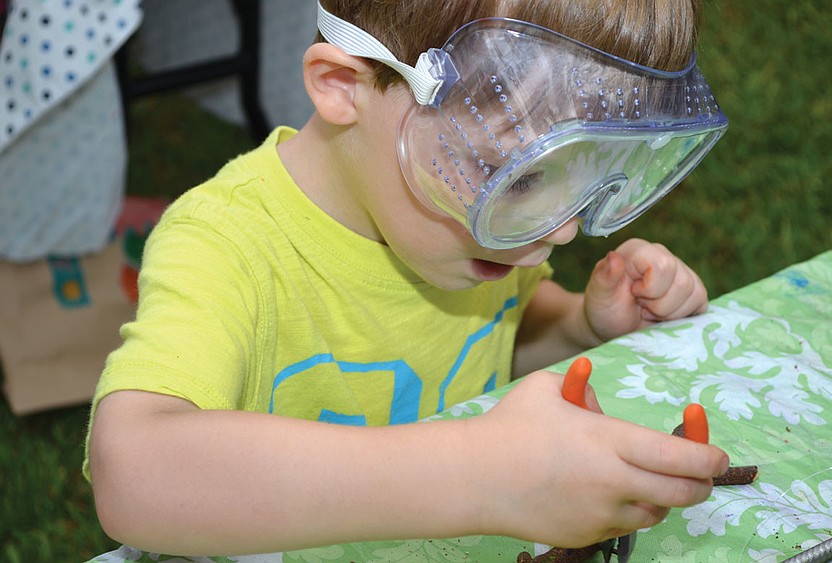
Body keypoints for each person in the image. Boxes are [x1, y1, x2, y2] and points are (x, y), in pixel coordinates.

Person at [85, 0, 731, 556]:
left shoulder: (459, 237)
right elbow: (135, 468)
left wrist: (580, 325)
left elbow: (498, 337)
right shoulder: (225, 247)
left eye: (584, 181)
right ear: (344, 84)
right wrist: (483, 473)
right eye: (524, 176)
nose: (560, 229)